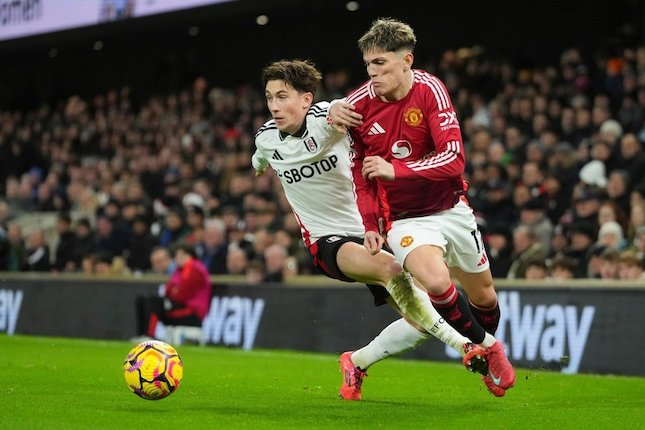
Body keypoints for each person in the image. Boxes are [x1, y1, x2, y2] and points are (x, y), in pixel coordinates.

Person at [252, 59, 487, 401]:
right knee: (390, 269)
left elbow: (339, 109)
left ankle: (357, 362)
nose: (274, 106)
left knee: (424, 319)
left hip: (370, 232)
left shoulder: (327, 120)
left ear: (306, 99)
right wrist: (258, 167)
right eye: (270, 97)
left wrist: (337, 108)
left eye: (283, 96)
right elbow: (258, 158)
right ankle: (465, 345)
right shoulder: (266, 139)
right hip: (327, 242)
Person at [328, 18, 515, 396]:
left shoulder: (430, 89)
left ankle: (358, 361)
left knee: (483, 298)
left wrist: (395, 170)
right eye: (368, 64)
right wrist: (369, 222)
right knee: (435, 284)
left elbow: (454, 159)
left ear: (406, 61)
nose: (372, 73)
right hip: (404, 218)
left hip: (451, 207)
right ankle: (491, 350)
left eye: (380, 63)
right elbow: (360, 173)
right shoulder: (358, 106)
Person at [135, 242, 212, 339]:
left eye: (181, 255)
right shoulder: (179, 270)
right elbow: (169, 290)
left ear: (190, 255)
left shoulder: (195, 269)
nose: (178, 258)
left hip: (192, 312)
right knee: (142, 300)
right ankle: (141, 335)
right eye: (177, 255)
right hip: (180, 306)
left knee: (154, 303)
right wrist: (174, 291)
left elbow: (181, 294)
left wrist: (175, 291)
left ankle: (149, 336)